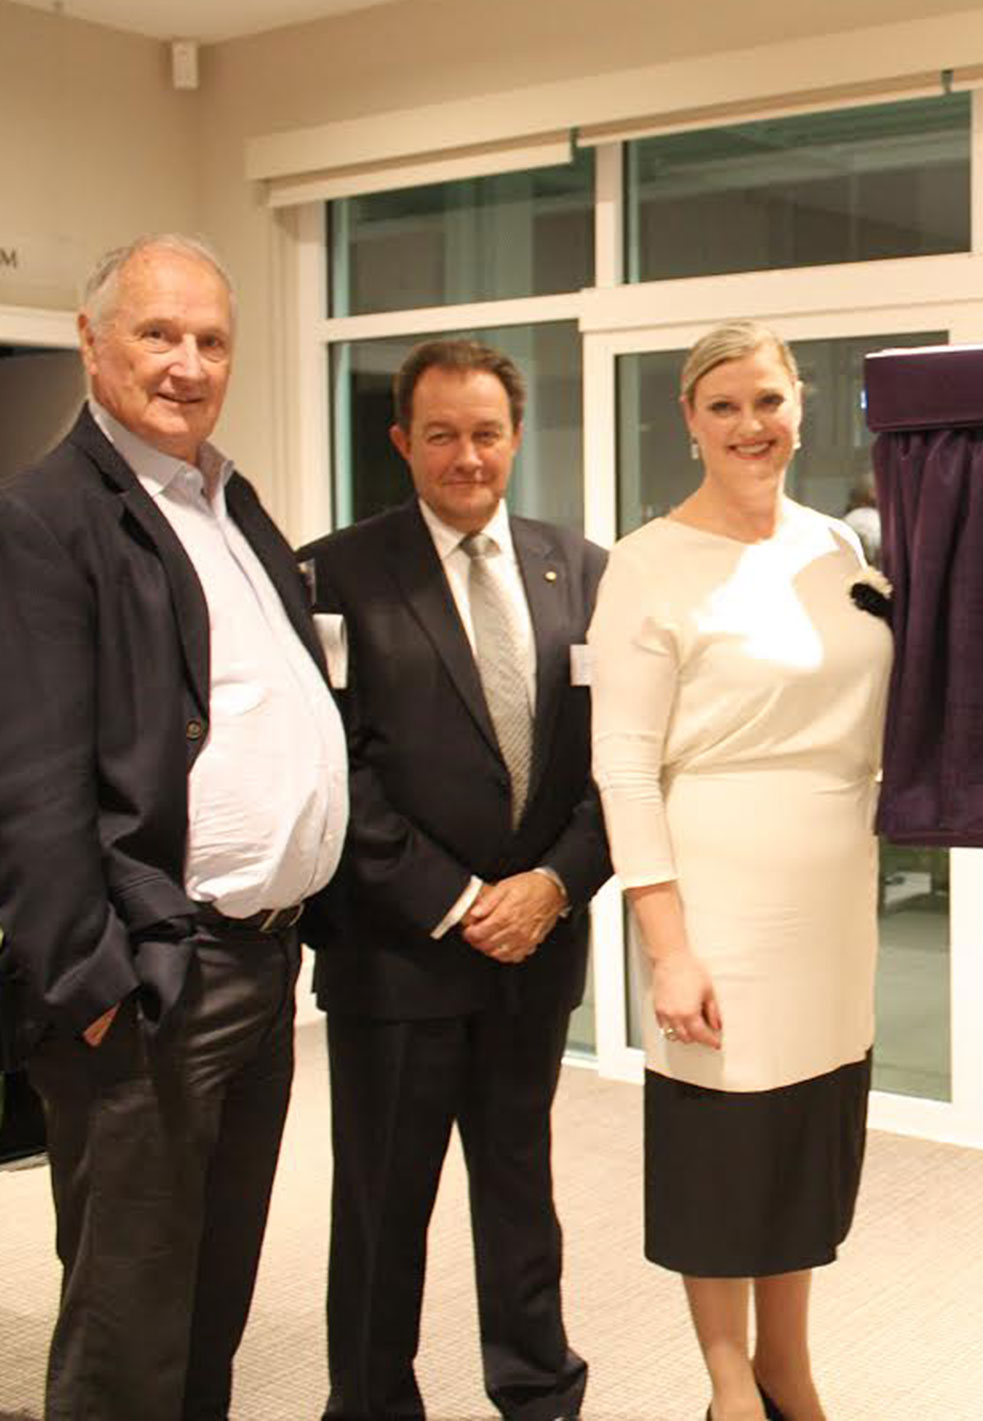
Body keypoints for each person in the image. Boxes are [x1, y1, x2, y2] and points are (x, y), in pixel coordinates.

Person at [0, 234, 348, 1419]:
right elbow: (31, 785)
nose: (189, 363)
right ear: (94, 341)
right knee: (126, 1330)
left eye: (211, 339)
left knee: (209, 1305)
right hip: (150, 979)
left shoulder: (227, 498)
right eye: (159, 333)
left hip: (258, 966)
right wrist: (92, 982)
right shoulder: (45, 518)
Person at [299, 338, 609, 1421]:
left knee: (521, 1189)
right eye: (441, 434)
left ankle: (537, 1389)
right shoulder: (332, 573)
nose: (465, 455)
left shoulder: (583, 566)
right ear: (401, 442)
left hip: (536, 946)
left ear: (515, 437)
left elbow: (619, 761)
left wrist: (554, 886)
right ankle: (372, 1401)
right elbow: (330, 769)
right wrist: (454, 898)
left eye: (485, 433)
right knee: (385, 1205)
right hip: (396, 951)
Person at [589, 319, 890, 1421]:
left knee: (800, 1139)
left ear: (799, 405)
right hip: (715, 894)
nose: (749, 426)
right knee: (719, 1149)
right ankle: (728, 1385)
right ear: (689, 421)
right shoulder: (647, 560)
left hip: (832, 895)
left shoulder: (836, 551)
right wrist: (667, 949)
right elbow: (622, 766)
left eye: (767, 401)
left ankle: (790, 1368)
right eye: (724, 406)